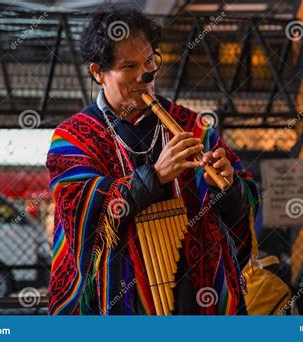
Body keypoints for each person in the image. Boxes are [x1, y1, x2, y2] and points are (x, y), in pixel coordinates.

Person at [46, 6, 259, 315]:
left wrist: (227, 189)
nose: (144, 75)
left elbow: (244, 208)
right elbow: (78, 209)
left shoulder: (194, 126)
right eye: (129, 66)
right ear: (98, 72)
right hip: (116, 298)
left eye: (149, 62)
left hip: (198, 295)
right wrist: (156, 176)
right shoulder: (73, 138)